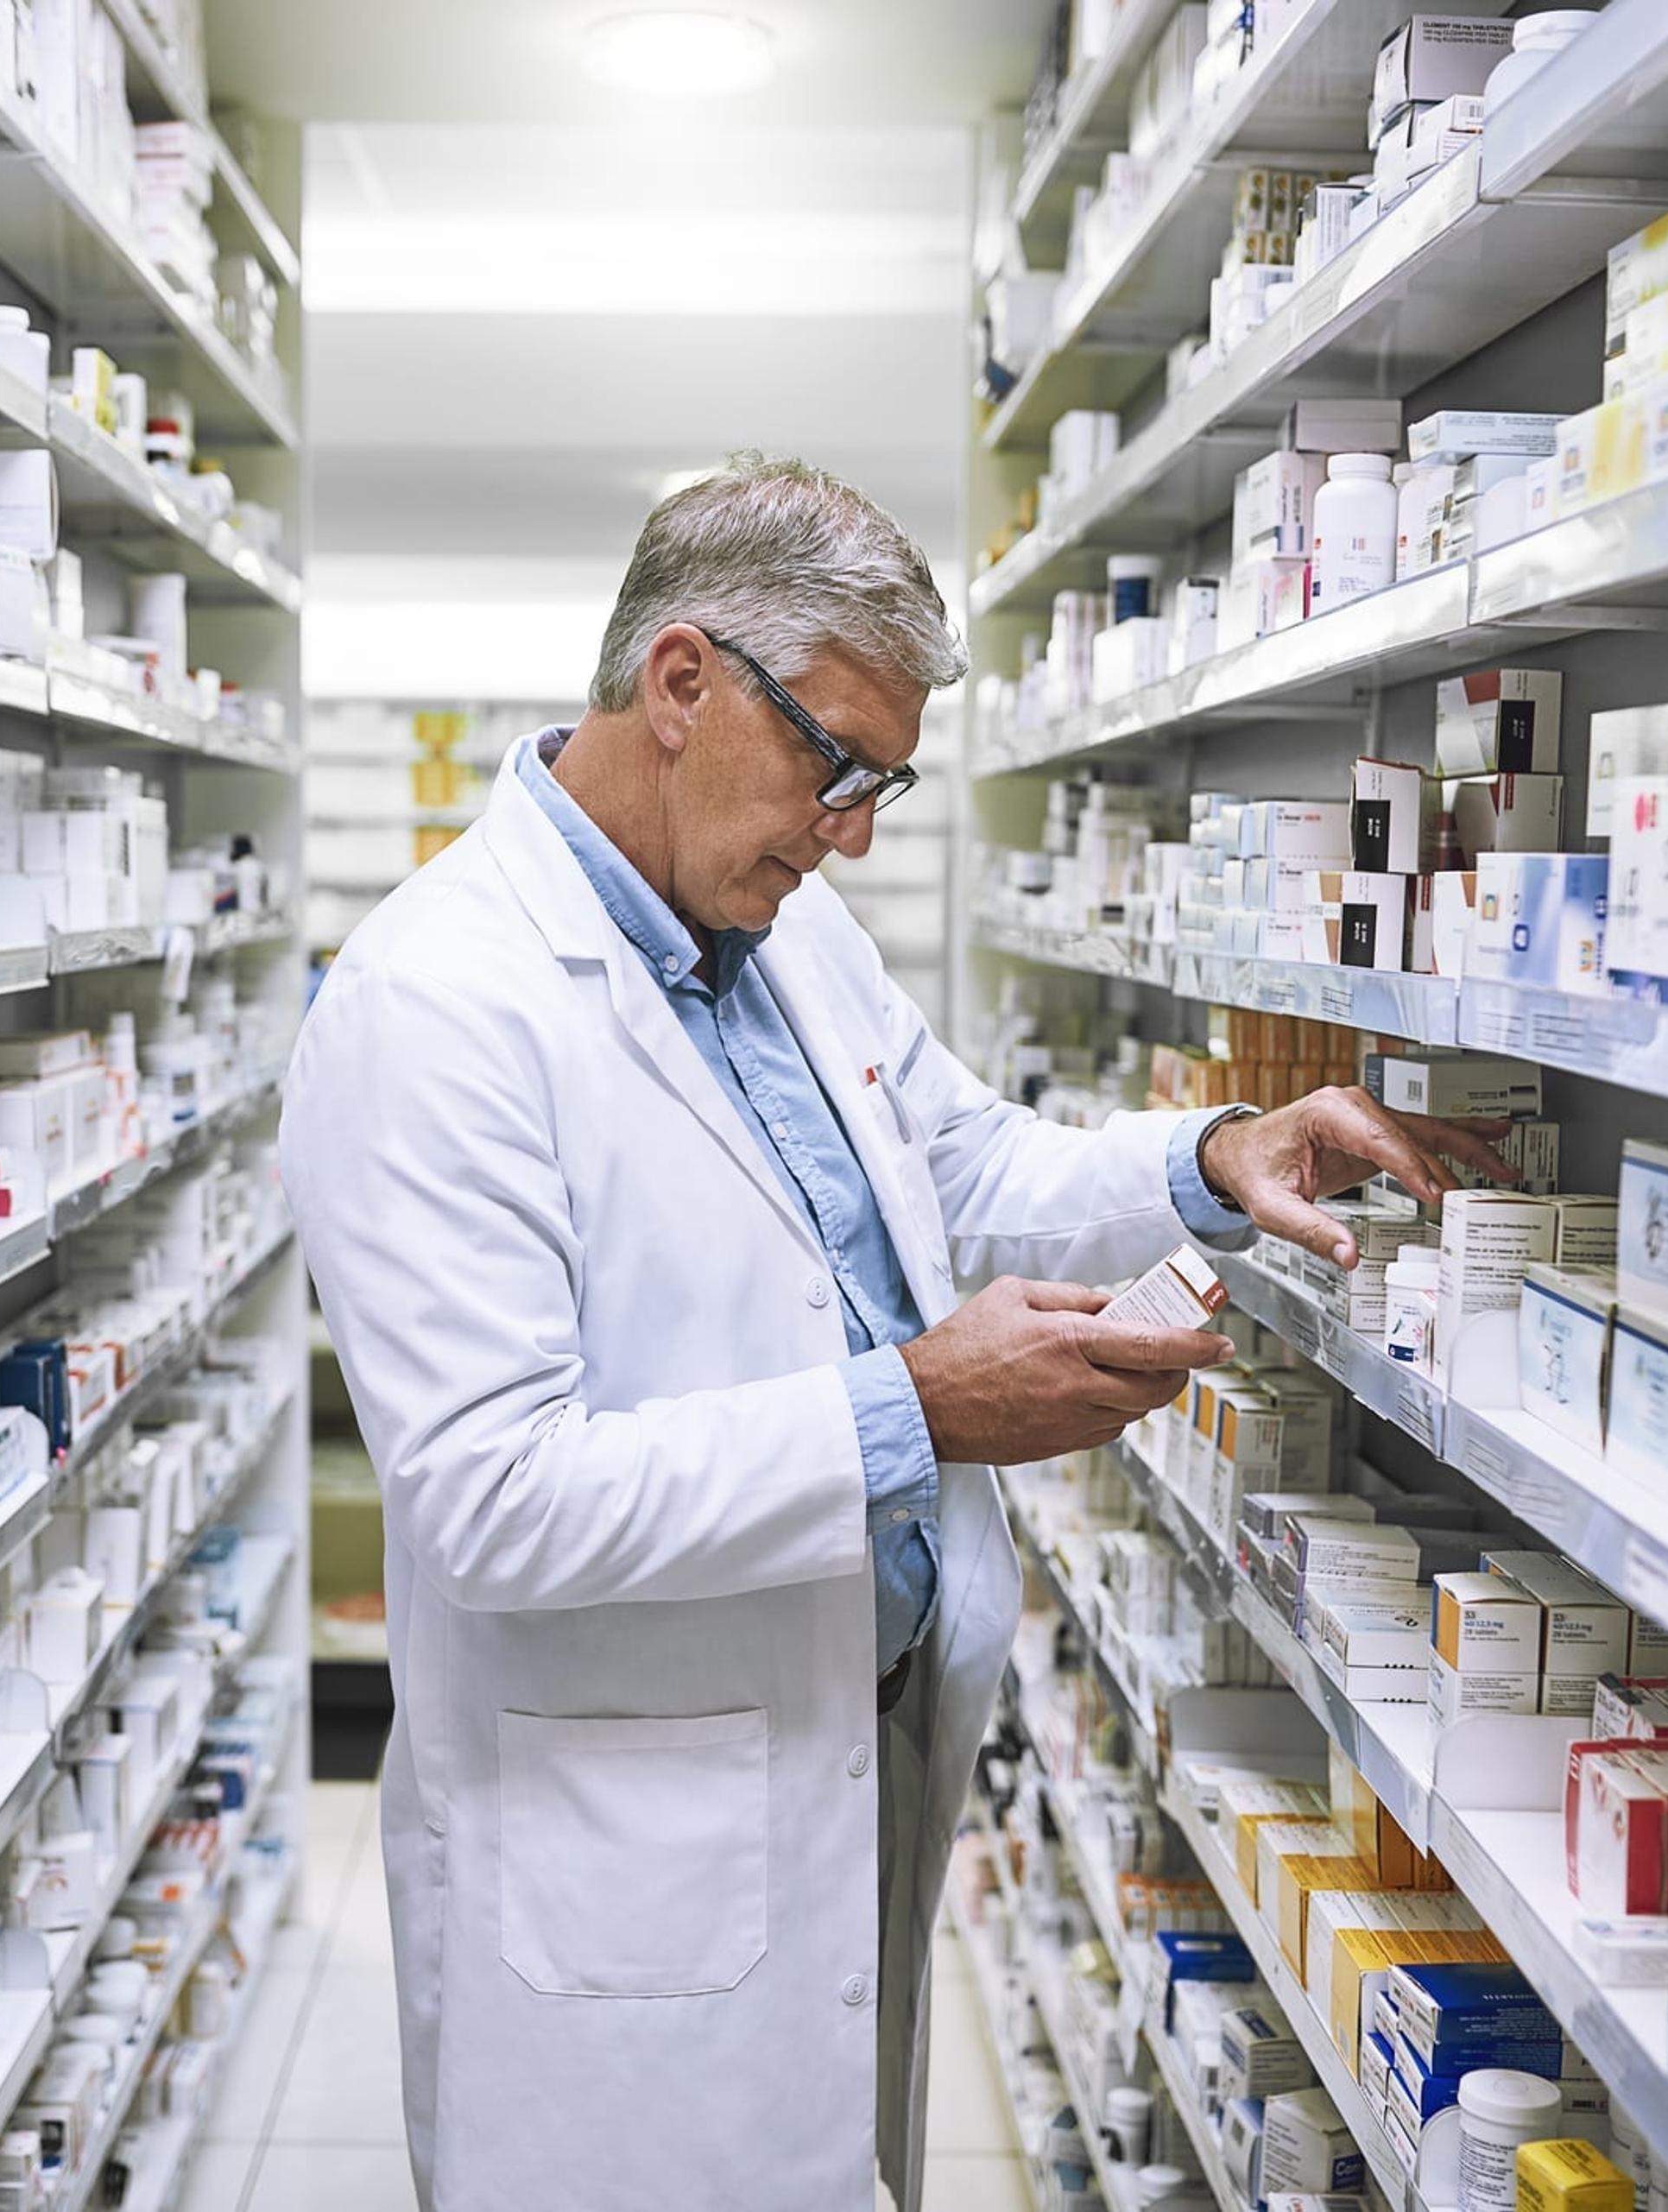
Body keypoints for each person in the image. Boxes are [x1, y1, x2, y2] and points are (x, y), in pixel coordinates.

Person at [280, 455, 1510, 2211]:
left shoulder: (783, 930)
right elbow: (493, 1500)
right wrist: (914, 1413)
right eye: (835, 765)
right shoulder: (436, 1008)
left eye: (886, 783)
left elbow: (966, 1163)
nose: (852, 826)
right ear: (683, 683)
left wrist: (1212, 1160)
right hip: (622, 1842)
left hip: (857, 1745)